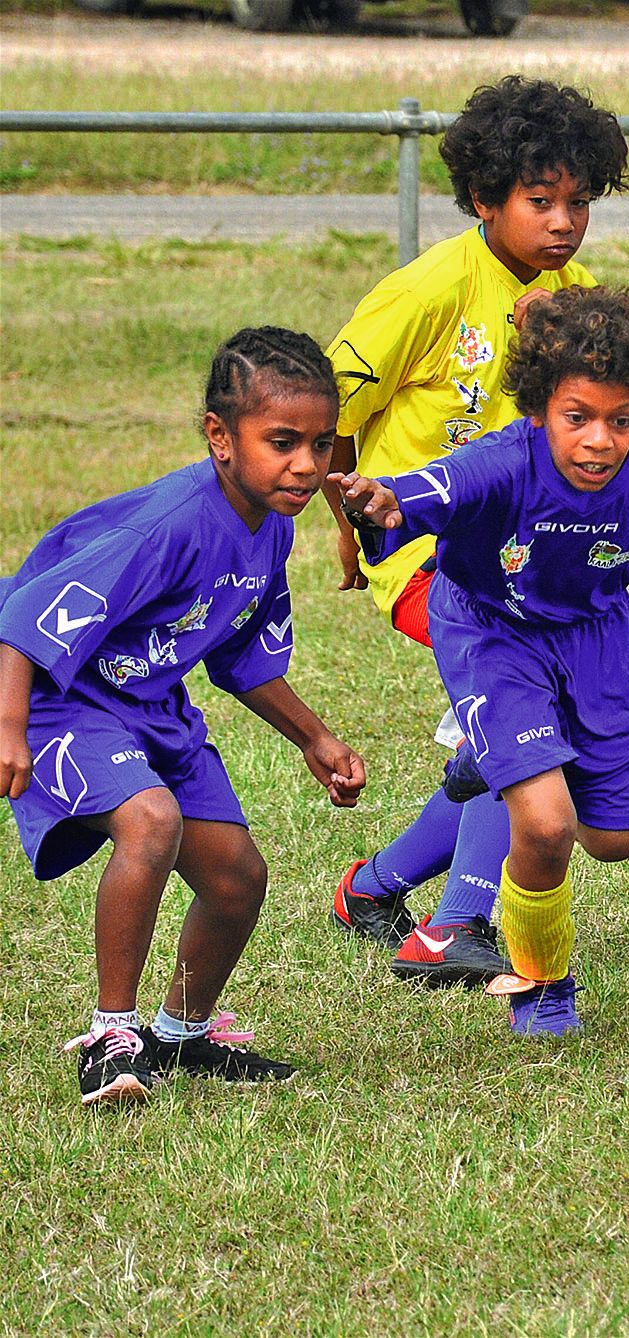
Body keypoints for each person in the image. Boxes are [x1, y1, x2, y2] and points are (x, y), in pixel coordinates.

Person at [334, 287, 629, 1036]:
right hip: (493, 635)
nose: (599, 440)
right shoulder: (496, 465)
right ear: (538, 409)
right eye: (577, 418)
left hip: (597, 634)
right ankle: (543, 987)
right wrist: (380, 504)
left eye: (620, 420)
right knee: (546, 827)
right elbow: (415, 494)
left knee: (615, 841)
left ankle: (485, 763)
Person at [0, 328, 368, 1105]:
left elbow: (239, 659)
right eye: (282, 441)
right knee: (150, 821)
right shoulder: (163, 525)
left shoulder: (272, 525)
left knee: (237, 879)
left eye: (321, 442)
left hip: (153, 711)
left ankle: (182, 1036)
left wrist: (315, 736)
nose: (307, 464)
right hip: (63, 702)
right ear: (219, 437)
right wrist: (7, 730)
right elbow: (27, 617)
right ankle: (110, 1036)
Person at [320, 76, 629, 988]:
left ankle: (372, 890)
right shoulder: (430, 288)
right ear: (483, 197)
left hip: (525, 563)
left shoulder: (573, 297)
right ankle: (454, 924)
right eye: (541, 202)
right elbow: (334, 397)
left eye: (579, 202)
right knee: (523, 729)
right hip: (426, 553)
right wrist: (348, 522)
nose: (564, 221)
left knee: (518, 734)